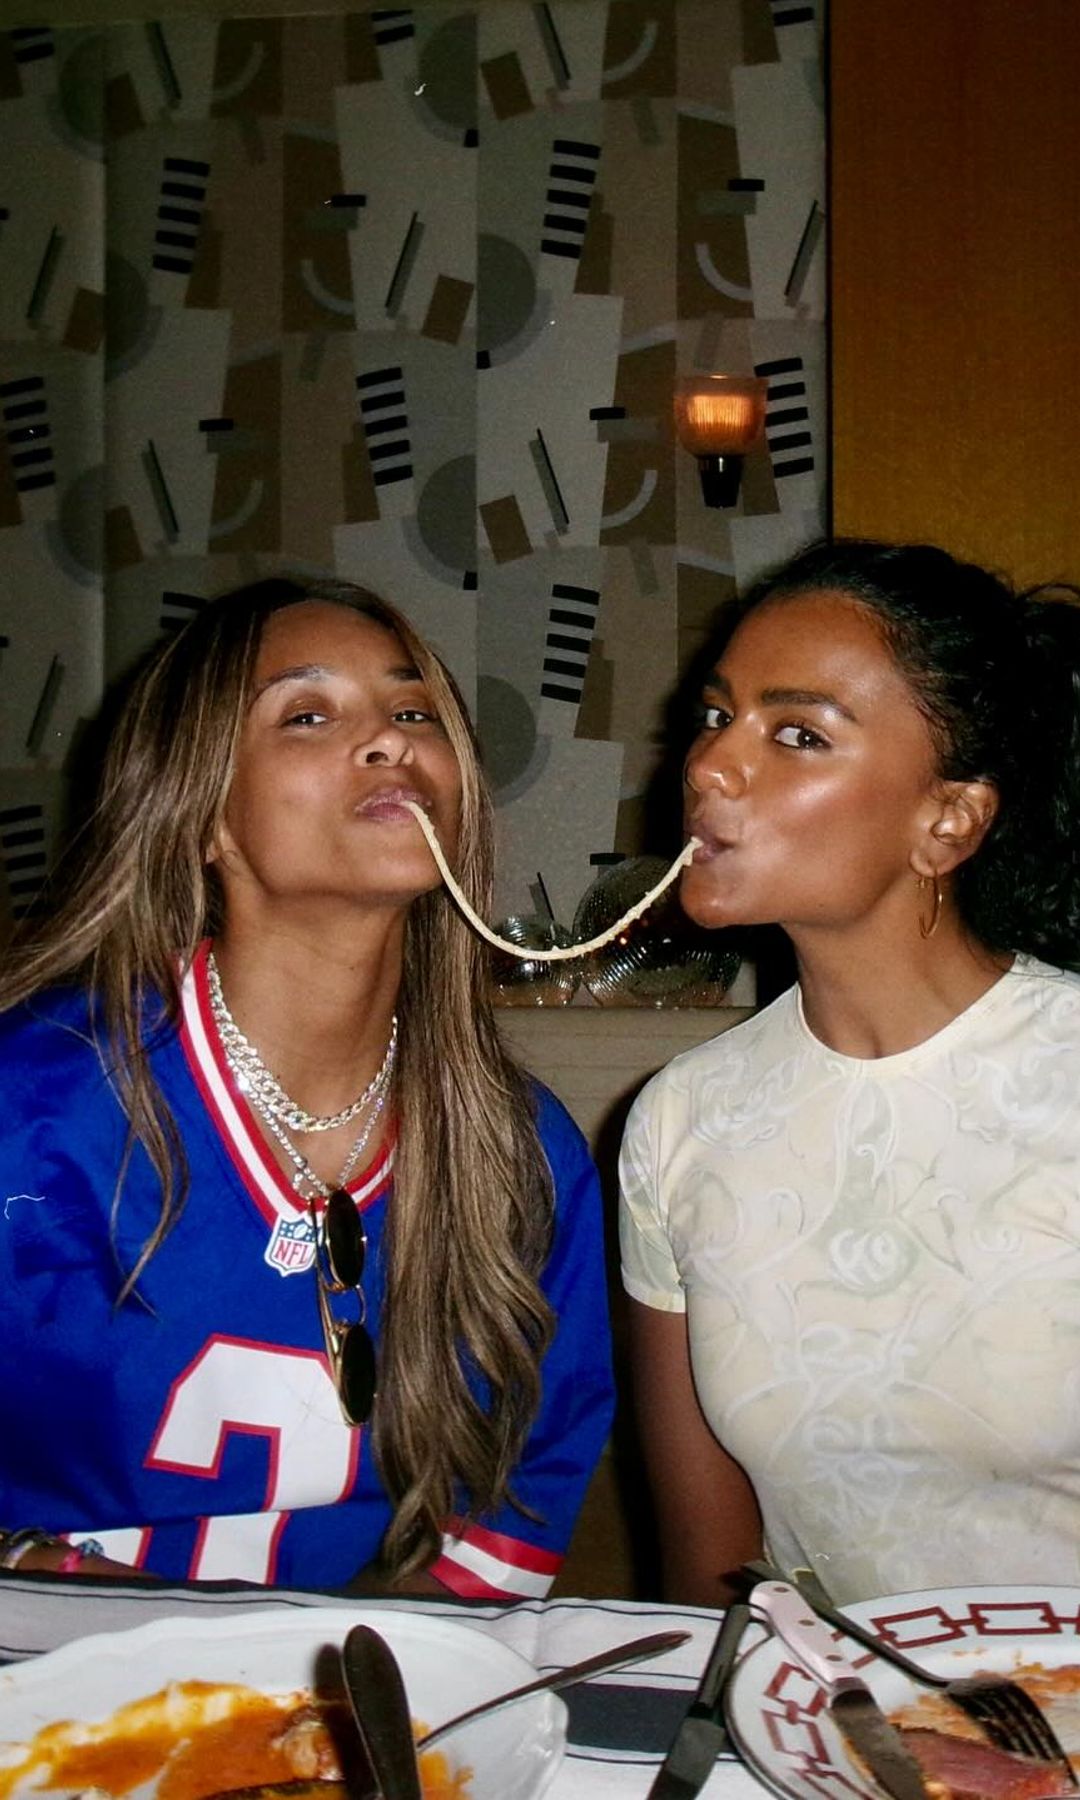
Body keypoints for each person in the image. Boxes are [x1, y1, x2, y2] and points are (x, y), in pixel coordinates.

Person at [0, 576, 613, 1593]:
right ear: (205, 816)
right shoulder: (29, 1108)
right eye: (308, 715)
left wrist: (394, 1667)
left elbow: (523, 1491)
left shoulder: (522, 1152)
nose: (389, 743)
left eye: (413, 712)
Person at [619, 538, 1080, 1607]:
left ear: (948, 821)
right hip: (817, 1705)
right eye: (715, 716)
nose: (709, 766)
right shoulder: (681, 1120)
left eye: (798, 734)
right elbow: (712, 1582)